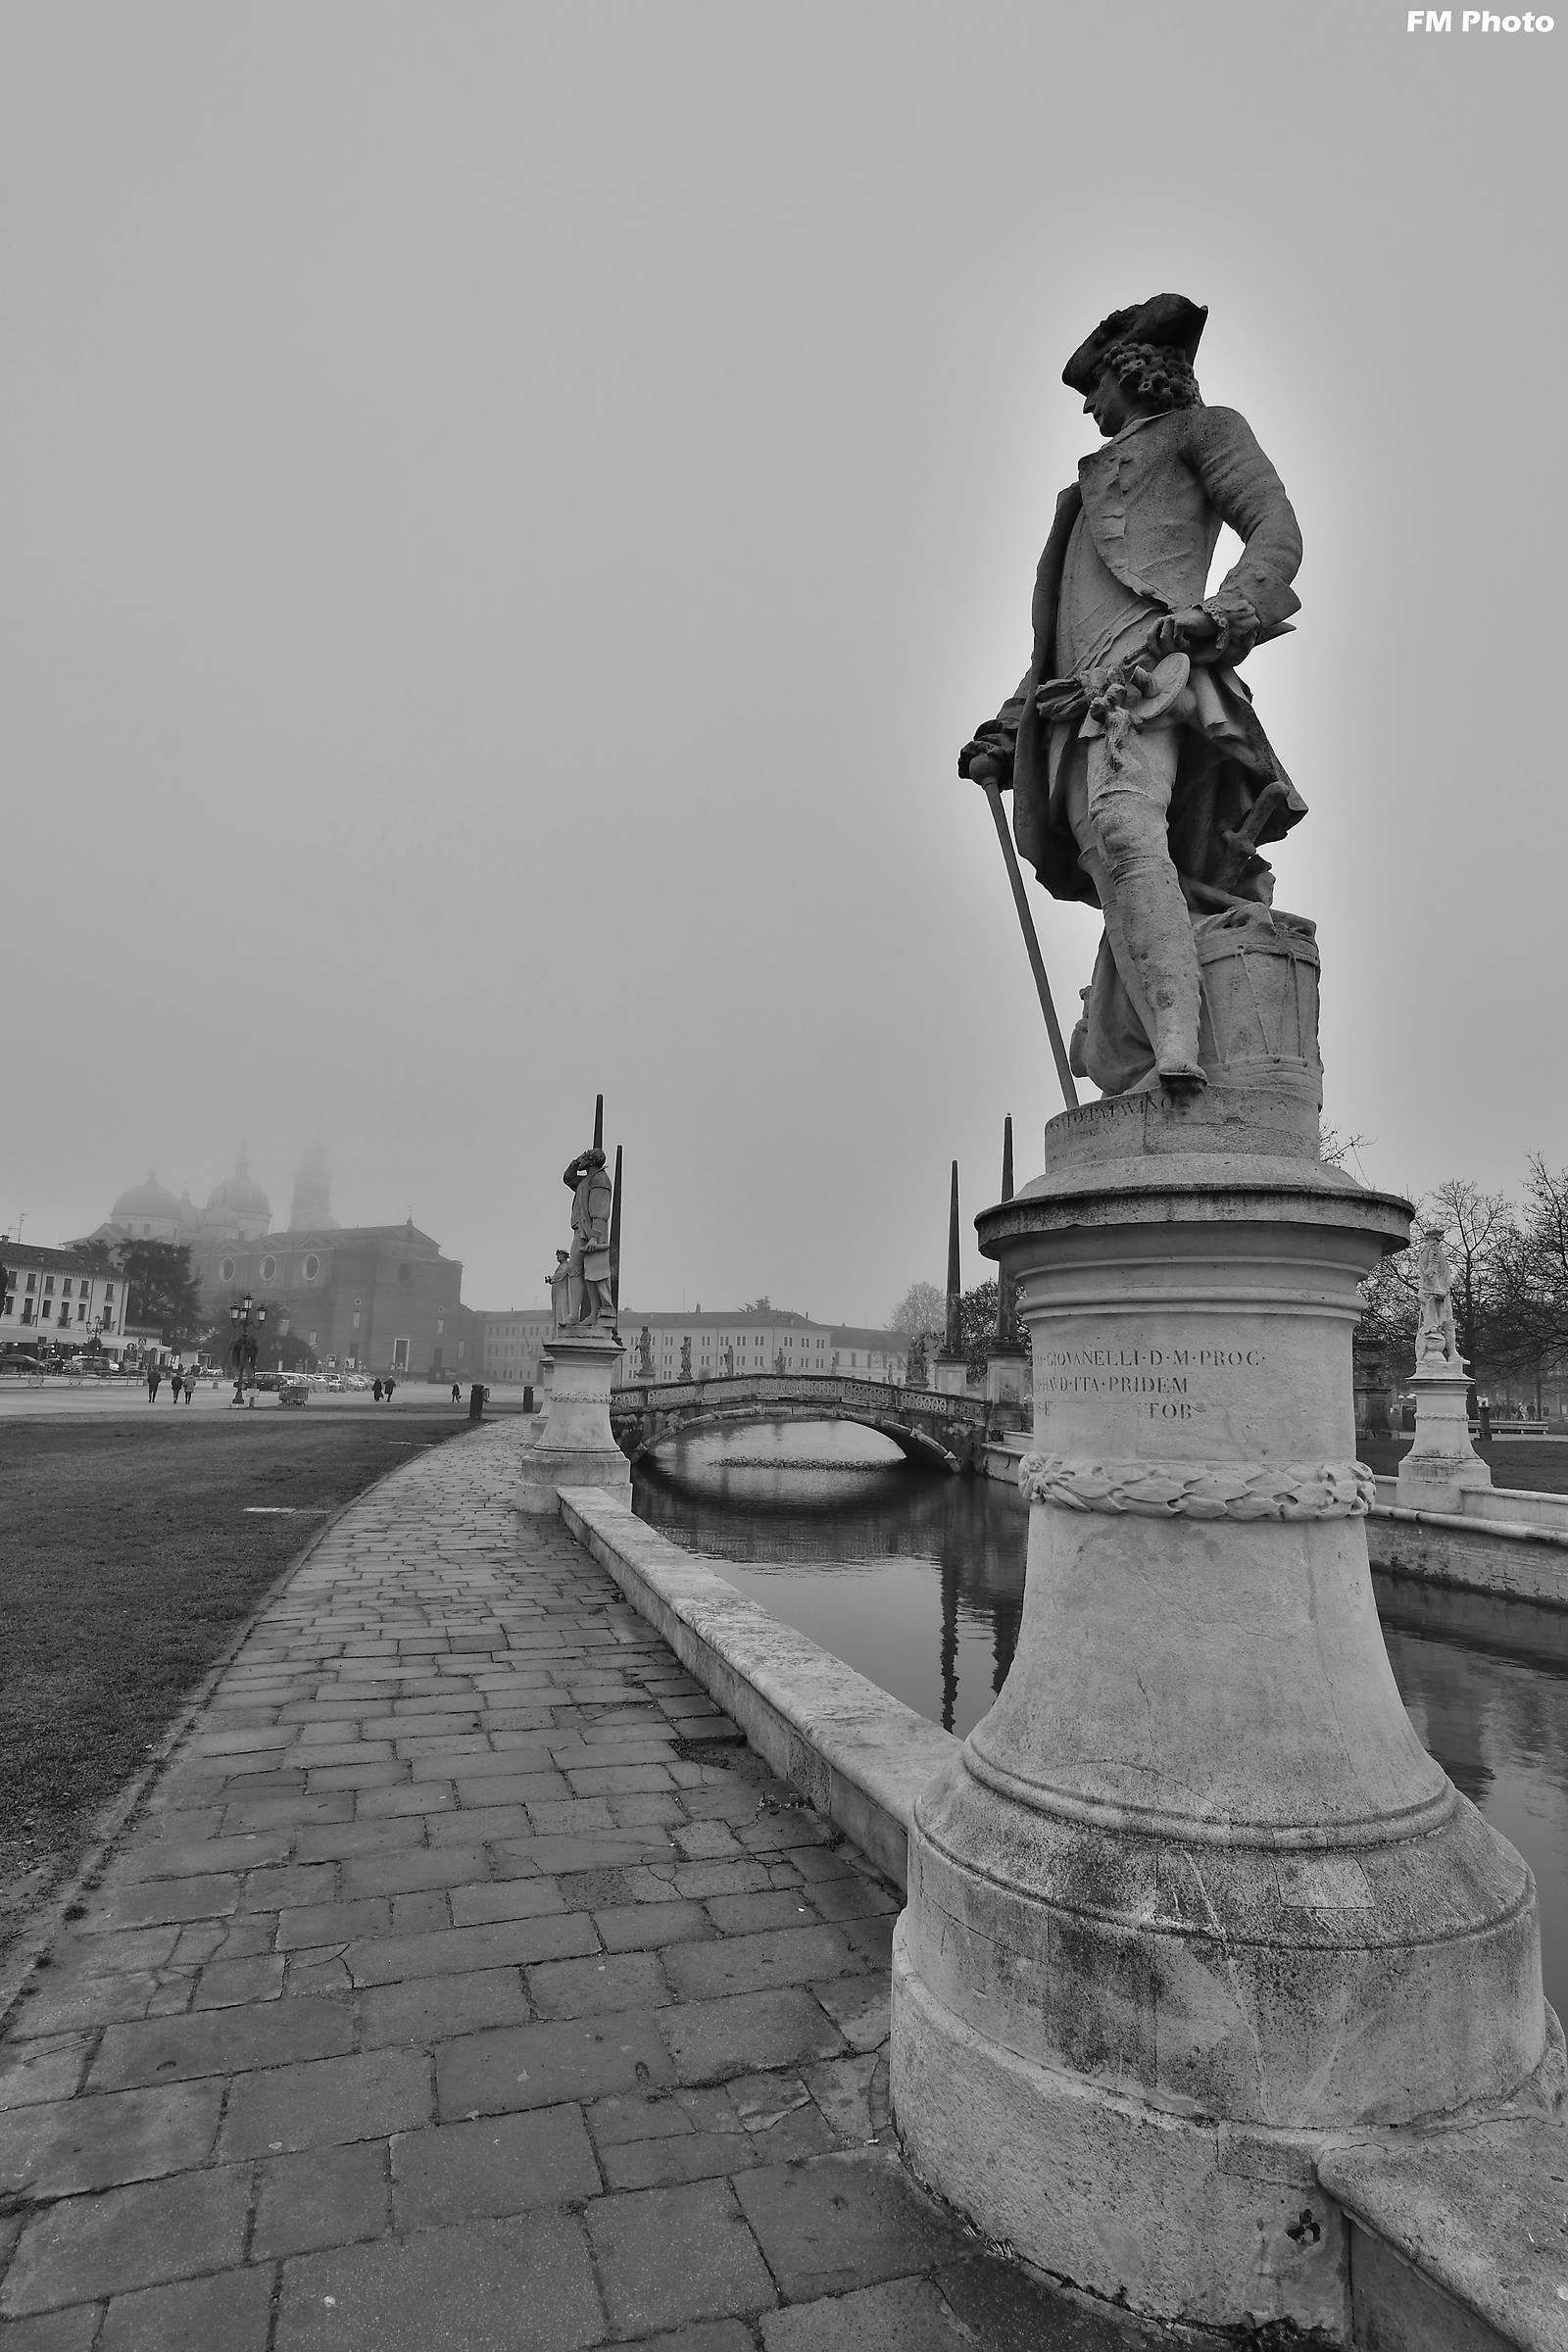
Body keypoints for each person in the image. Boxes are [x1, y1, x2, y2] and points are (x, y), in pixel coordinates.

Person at [960, 293, 1303, 1094]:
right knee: (1122, 866)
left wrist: (1217, 612)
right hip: (1076, 705)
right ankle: (1137, 1056)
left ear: (1132, 372)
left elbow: (1275, 527)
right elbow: (1057, 644)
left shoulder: (1203, 430)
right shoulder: (1078, 504)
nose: (1086, 405)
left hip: (1154, 679)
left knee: (1124, 832)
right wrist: (1008, 731)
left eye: (1094, 387)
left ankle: (1178, 1051)